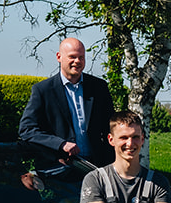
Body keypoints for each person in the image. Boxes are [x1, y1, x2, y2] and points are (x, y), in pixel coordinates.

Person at [20, 36, 116, 165]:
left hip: (97, 166)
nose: (77, 61)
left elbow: (111, 126)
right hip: (59, 166)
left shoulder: (99, 87)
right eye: (72, 57)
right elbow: (27, 130)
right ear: (59, 57)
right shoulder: (43, 90)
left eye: (81, 57)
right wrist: (60, 144)